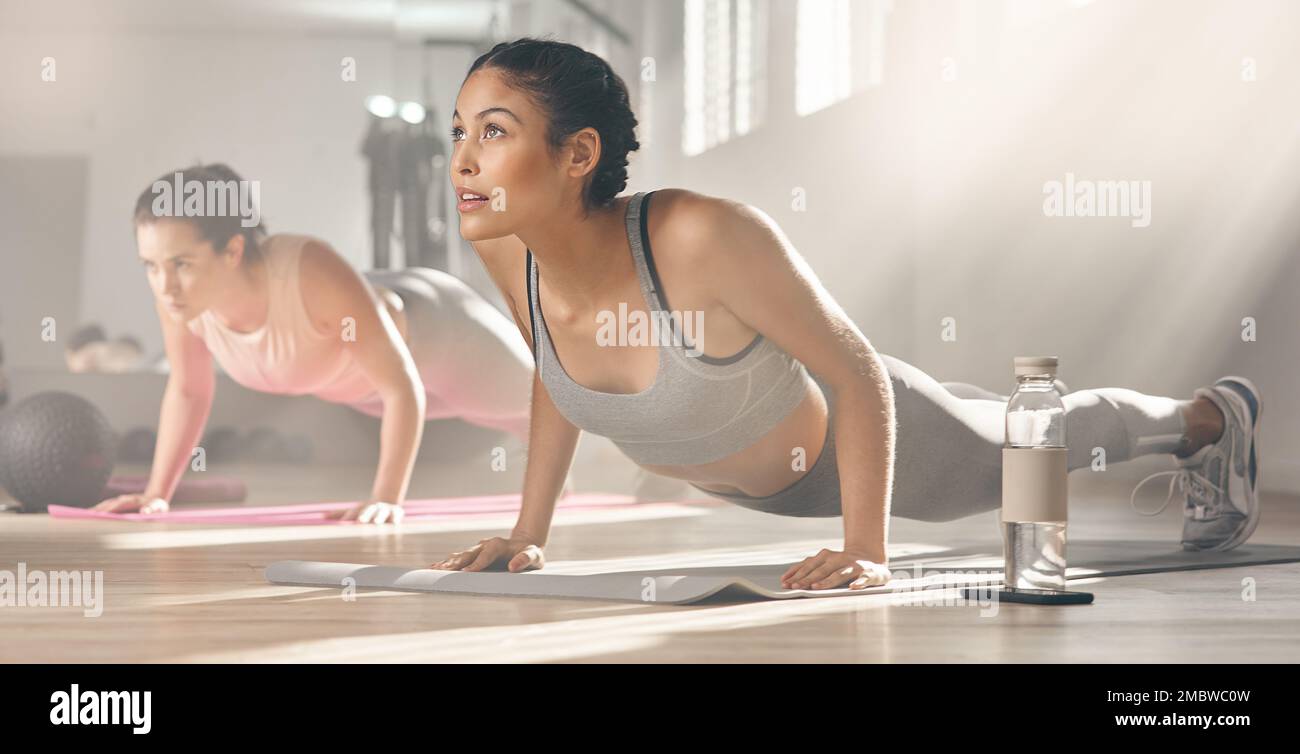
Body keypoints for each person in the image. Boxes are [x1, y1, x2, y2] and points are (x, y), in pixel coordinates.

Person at [431, 38, 1262, 589]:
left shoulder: (698, 236)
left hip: (865, 453)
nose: (464, 157)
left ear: (579, 154)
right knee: (1007, 418)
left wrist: (868, 550)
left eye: (495, 132)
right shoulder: (510, 245)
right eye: (460, 129)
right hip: (761, 490)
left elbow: (855, 368)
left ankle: (1209, 420)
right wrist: (527, 531)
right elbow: (556, 363)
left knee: (1033, 442)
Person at [93, 163, 535, 523]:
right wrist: (156, 495)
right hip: (365, 382)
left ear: (231, 250)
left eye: (181, 263)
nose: (164, 284)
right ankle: (530, 438)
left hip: (438, 326)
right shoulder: (180, 302)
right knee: (482, 412)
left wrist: (386, 498)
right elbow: (189, 390)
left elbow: (401, 386)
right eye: (150, 265)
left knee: (546, 397)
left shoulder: (307, 272)